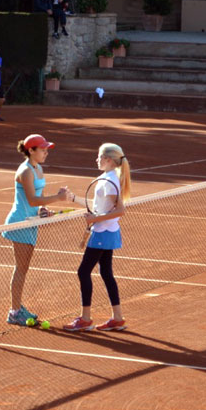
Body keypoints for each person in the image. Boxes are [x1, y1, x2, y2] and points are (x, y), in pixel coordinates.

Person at [63, 142, 132, 332]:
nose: (97, 159)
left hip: (103, 232)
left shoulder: (110, 181)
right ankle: (117, 318)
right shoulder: (107, 178)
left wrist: (96, 219)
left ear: (108, 159)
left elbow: (120, 210)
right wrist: (74, 198)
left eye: (99, 156)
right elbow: (97, 204)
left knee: (83, 272)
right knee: (106, 273)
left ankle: (85, 318)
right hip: (106, 231)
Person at [2, 134, 69, 326]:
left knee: (24, 268)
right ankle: (14, 312)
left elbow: (36, 202)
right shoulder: (26, 171)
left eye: (46, 149)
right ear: (31, 151)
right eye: (42, 149)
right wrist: (57, 198)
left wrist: (42, 210)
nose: (46, 152)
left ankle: (17, 307)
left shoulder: (37, 168)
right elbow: (31, 199)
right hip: (20, 222)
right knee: (21, 269)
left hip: (32, 221)